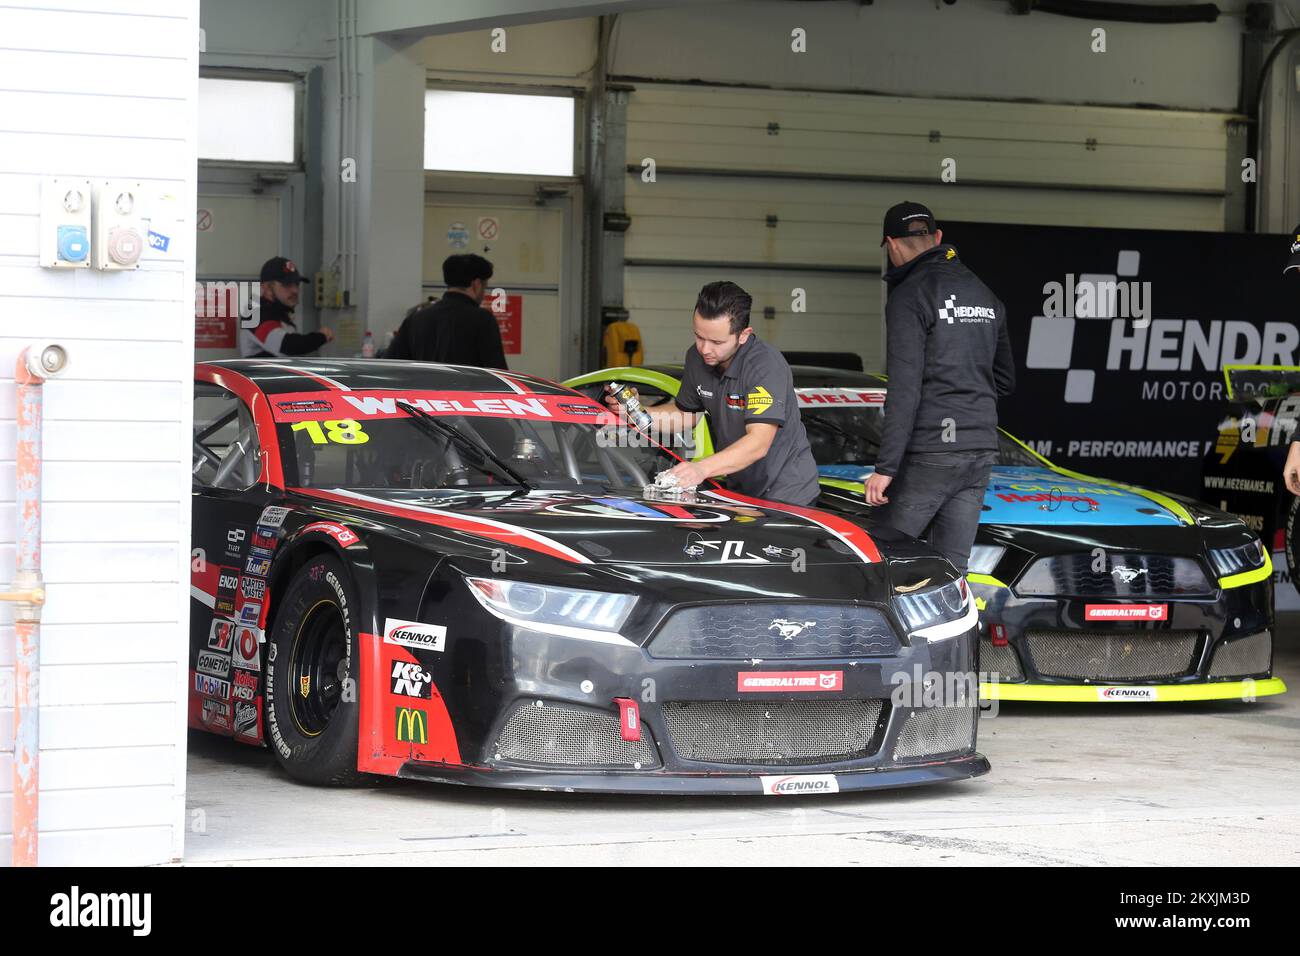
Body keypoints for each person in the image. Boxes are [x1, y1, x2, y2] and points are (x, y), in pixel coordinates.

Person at [863, 202, 1015, 573]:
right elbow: (1006, 381)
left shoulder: (909, 295)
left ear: (891, 245)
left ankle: (869, 634)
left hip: (931, 451)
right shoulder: (984, 294)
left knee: (881, 561)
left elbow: (905, 388)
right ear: (939, 238)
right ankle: (956, 633)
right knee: (951, 568)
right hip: (979, 448)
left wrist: (886, 467)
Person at [608, 280, 821, 506]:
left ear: (744, 335)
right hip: (741, 492)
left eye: (717, 341)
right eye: (699, 336)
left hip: (789, 495)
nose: (705, 349)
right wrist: (636, 412)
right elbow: (686, 415)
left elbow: (758, 442)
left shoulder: (764, 367)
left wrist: (701, 469)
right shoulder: (696, 358)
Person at [386, 254, 507, 368]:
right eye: (484, 287)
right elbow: (497, 371)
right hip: (466, 390)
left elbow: (393, 364)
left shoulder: (416, 318)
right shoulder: (483, 319)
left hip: (423, 389)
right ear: (476, 284)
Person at [240, 257, 333, 358]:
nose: (295, 290)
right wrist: (321, 336)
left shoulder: (279, 312)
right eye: (287, 284)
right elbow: (287, 346)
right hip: (260, 374)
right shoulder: (254, 313)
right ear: (267, 288)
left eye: (296, 284)